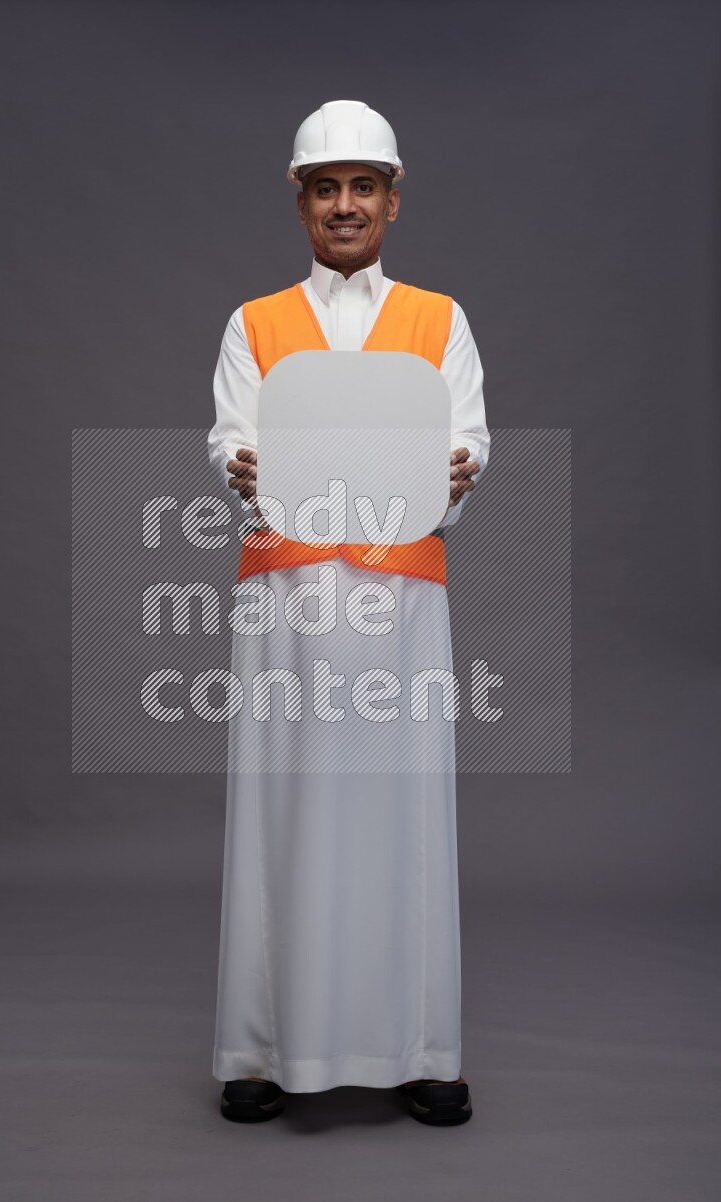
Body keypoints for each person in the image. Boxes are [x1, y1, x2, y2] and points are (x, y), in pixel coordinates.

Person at [207, 100, 490, 1126]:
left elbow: (468, 437)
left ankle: (420, 1048)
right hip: (286, 598)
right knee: (279, 810)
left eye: (362, 186)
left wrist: (458, 468)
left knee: (401, 810)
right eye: (325, 188)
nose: (343, 205)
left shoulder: (439, 319)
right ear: (300, 204)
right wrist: (240, 467)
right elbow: (230, 439)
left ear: (391, 201)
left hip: (399, 599)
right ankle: (260, 1047)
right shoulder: (254, 322)